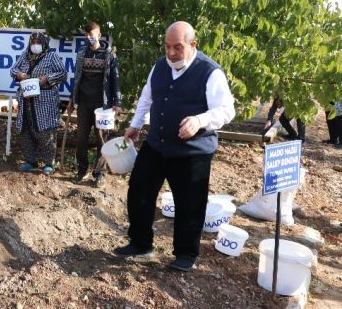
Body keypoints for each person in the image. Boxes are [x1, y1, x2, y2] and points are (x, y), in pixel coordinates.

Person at [114, 21, 235, 272]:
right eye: (167, 47)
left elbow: (226, 110)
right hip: (157, 145)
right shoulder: (159, 67)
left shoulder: (210, 72)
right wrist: (136, 125)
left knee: (189, 203)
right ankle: (140, 243)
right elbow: (147, 98)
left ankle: (186, 254)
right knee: (139, 190)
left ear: (192, 45)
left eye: (177, 47)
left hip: (192, 151)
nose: (171, 53)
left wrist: (200, 120)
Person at [67, 22, 123, 186]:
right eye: (87, 34)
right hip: (84, 103)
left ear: (99, 35)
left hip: (102, 106)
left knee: (101, 140)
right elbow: (76, 79)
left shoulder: (108, 55)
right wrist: (72, 99)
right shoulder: (82, 54)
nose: (89, 37)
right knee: (81, 139)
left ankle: (100, 173)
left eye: (92, 34)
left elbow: (115, 80)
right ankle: (81, 170)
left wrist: (117, 102)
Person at [10, 32, 68, 175]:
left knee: (45, 131)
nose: (35, 45)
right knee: (26, 129)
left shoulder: (51, 56)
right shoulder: (25, 55)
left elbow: (63, 73)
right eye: (33, 42)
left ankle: (49, 163)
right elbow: (13, 70)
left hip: (45, 100)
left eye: (38, 42)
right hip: (26, 99)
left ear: (44, 43)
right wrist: (19, 75)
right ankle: (31, 161)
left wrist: (47, 78)